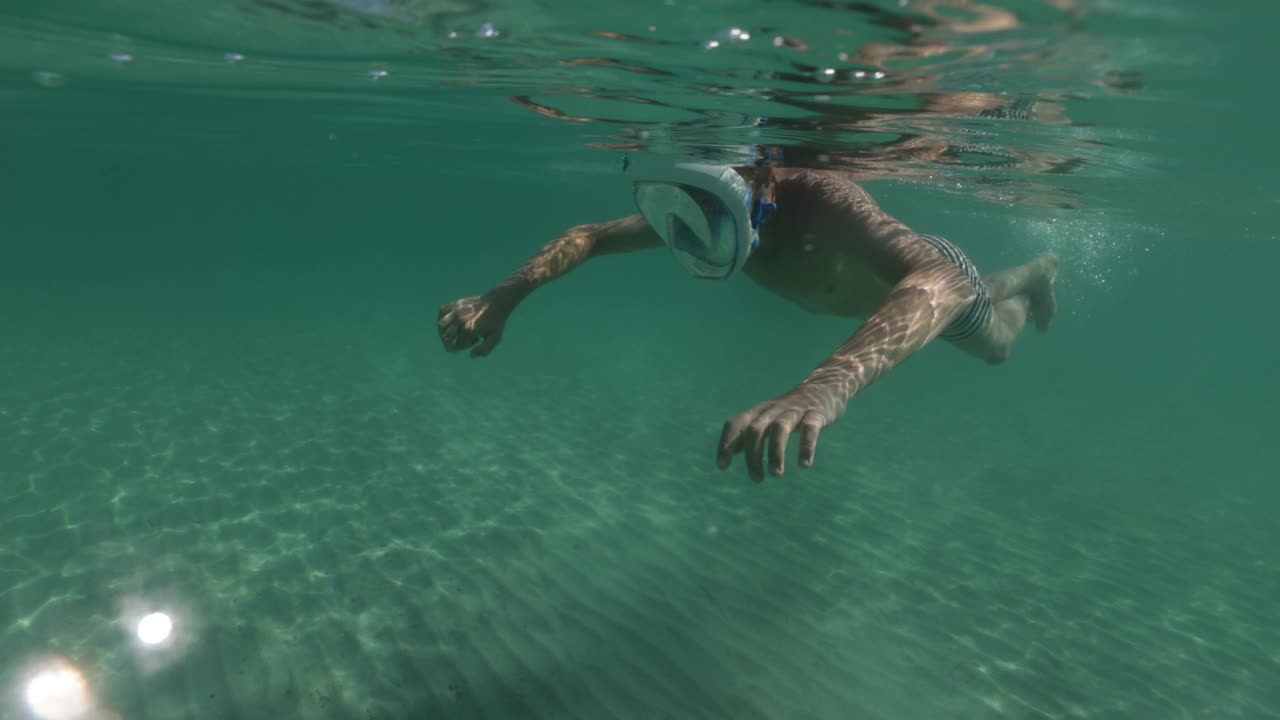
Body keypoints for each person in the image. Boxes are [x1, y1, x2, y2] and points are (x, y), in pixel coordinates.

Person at [437, 152, 1059, 482]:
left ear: (758, 184)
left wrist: (825, 386)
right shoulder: (703, 205)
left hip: (926, 286)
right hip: (891, 293)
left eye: (712, 216)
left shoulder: (819, 196)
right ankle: (1025, 277)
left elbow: (943, 281)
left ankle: (1035, 276)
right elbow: (592, 235)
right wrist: (502, 297)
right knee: (982, 294)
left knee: (999, 342)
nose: (691, 236)